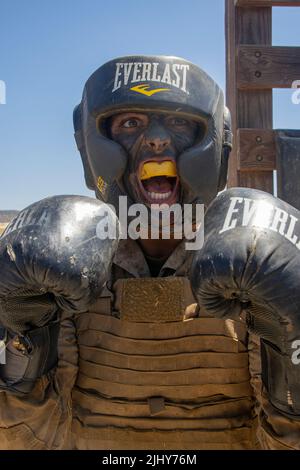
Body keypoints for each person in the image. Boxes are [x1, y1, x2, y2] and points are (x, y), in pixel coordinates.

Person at [0, 55, 300, 450]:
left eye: (179, 123)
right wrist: (20, 334)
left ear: (217, 144)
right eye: (130, 123)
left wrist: (290, 355)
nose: (157, 140)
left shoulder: (253, 255)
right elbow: (27, 441)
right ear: (91, 144)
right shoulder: (64, 259)